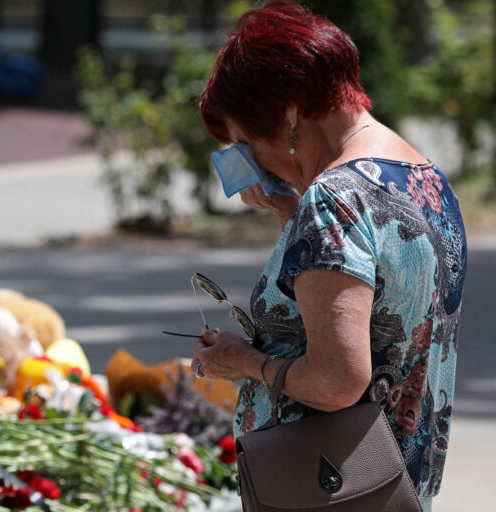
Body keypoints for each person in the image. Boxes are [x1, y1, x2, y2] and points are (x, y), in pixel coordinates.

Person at [192, 3, 467, 511]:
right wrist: (291, 218)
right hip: (396, 487)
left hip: (327, 489)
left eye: (248, 144)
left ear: (290, 114)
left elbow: (338, 382)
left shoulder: (334, 200)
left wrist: (244, 362)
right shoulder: (421, 175)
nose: (252, 166)